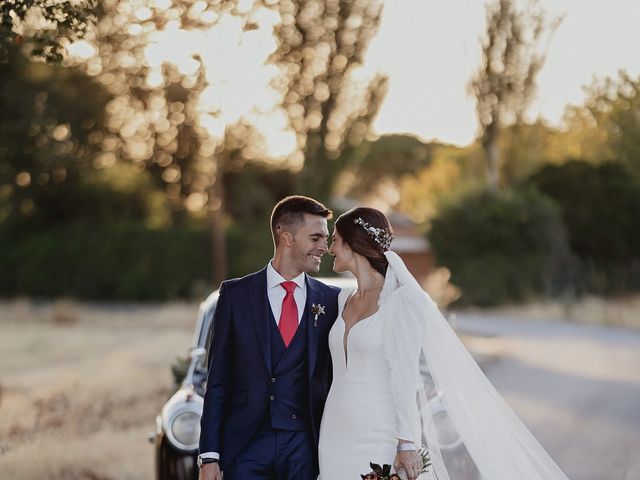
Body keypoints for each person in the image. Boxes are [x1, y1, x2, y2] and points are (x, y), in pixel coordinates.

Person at [319, 207, 571, 480]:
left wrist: (407, 443)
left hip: (378, 430)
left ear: (353, 245)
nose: (330, 247)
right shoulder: (343, 300)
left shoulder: (401, 301)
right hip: (334, 429)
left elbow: (404, 377)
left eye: (335, 240)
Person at [198, 195, 340, 480]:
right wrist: (209, 456)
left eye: (325, 238)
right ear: (286, 236)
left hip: (305, 447)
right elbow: (219, 379)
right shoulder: (235, 295)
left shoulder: (332, 300)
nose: (324, 247)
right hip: (245, 446)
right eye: (315, 238)